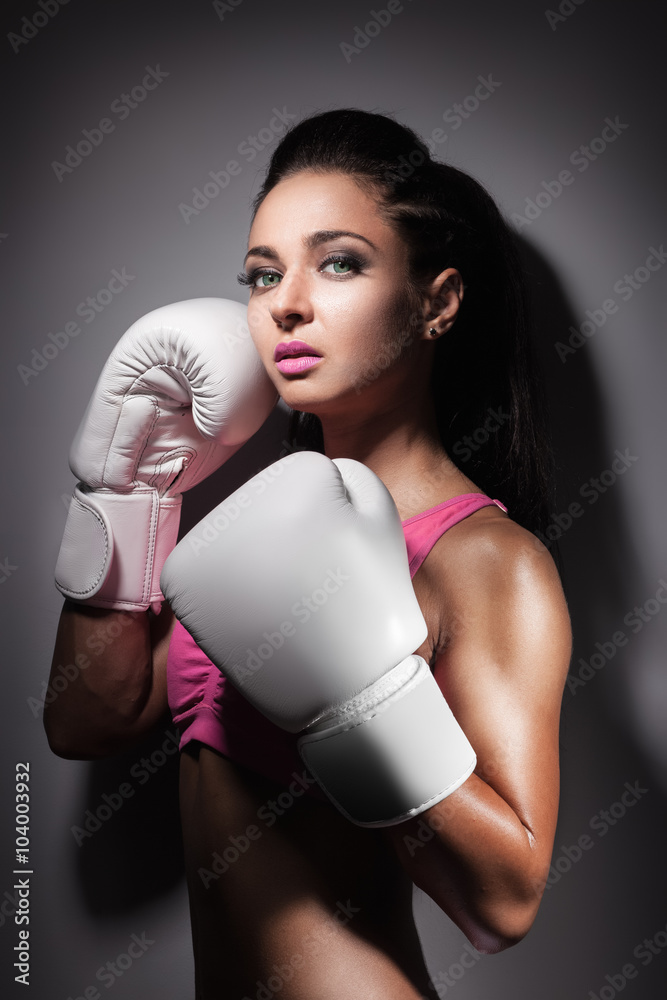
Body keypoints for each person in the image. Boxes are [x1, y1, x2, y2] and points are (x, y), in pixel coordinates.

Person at [45, 108, 573, 999]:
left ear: (437, 301)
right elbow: (88, 720)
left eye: (339, 263)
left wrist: (357, 700)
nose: (286, 301)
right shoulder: (258, 522)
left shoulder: (484, 559)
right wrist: (126, 490)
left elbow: (504, 905)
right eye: (261, 274)